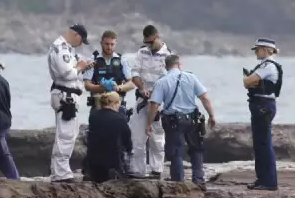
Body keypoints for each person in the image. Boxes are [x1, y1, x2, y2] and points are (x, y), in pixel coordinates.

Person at [146, 54, 216, 186]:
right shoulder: (191, 77)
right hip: (193, 119)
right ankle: (199, 180)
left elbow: (154, 105)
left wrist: (149, 123)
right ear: (179, 64)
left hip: (173, 121)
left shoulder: (161, 82)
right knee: (196, 149)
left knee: (176, 151)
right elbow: (204, 98)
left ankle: (178, 182)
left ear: (166, 67)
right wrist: (212, 116)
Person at [47, 23, 94, 183]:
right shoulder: (61, 48)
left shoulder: (66, 48)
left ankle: (59, 170)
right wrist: (80, 67)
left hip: (67, 95)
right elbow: (67, 73)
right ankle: (60, 173)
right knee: (65, 135)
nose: (80, 45)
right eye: (81, 41)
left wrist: (83, 66)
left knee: (68, 134)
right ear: (77, 36)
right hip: (65, 96)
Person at [130, 24, 172, 178]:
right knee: (137, 135)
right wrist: (141, 87)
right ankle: (138, 170)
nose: (149, 45)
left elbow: (170, 79)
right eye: (146, 42)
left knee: (157, 137)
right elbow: (134, 72)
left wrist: (156, 93)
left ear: (157, 37)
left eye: (151, 42)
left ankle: (156, 170)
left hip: (158, 101)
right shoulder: (142, 52)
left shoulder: (168, 55)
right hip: (142, 98)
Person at [242, 38, 284, 191]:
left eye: (258, 49)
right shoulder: (265, 66)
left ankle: (269, 181)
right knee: (260, 144)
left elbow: (248, 81)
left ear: (266, 49)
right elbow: (249, 82)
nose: (256, 52)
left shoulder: (268, 66)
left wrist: (249, 80)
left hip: (263, 106)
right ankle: (262, 179)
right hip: (261, 105)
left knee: (264, 144)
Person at [83, 30, 136, 117]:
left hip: (117, 105)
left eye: (112, 44)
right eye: (107, 44)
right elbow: (87, 85)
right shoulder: (92, 60)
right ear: (101, 43)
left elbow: (132, 83)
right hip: (98, 105)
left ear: (116, 44)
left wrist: (118, 88)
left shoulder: (122, 60)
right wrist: (102, 88)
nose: (109, 47)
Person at [85, 91, 133, 183]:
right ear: (114, 103)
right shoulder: (119, 118)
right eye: (119, 103)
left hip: (94, 157)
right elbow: (127, 138)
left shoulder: (93, 115)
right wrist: (129, 150)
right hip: (112, 159)